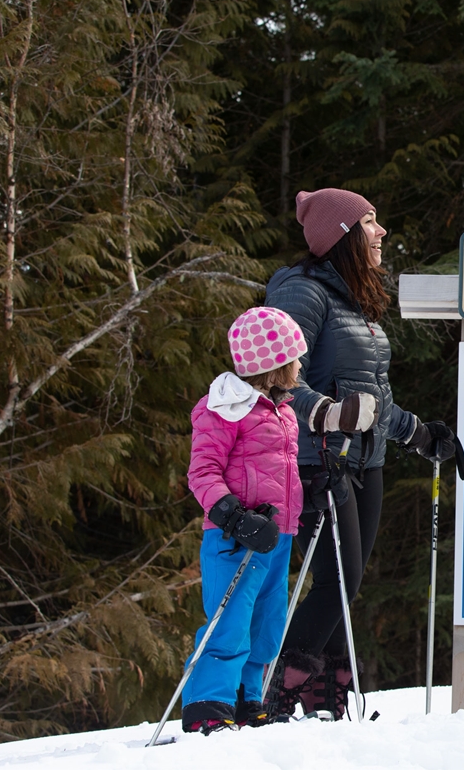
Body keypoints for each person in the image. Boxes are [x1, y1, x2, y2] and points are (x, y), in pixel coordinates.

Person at [262, 188, 455, 720]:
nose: (381, 231)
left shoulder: (356, 302)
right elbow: (274, 379)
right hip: (316, 460)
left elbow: (372, 399)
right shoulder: (302, 294)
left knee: (347, 582)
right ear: (344, 235)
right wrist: (326, 413)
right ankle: (275, 694)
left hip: (365, 463)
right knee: (335, 578)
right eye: (370, 221)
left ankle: (325, 699)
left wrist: (418, 433)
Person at [182, 307, 308, 734]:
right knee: (230, 621)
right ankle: (208, 704)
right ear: (274, 365)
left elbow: (281, 471)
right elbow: (201, 473)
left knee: (268, 624)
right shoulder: (223, 408)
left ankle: (246, 696)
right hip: (235, 537)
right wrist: (232, 516)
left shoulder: (283, 411)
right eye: (295, 357)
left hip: (277, 536)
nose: (300, 365)